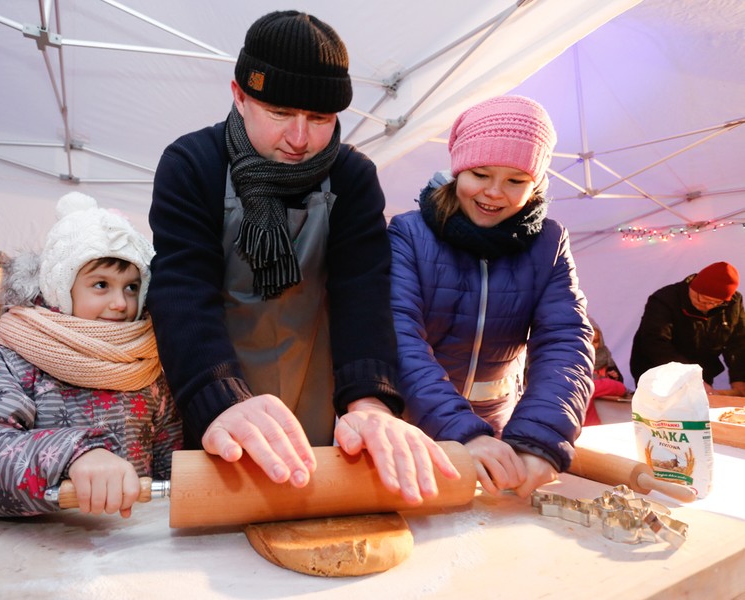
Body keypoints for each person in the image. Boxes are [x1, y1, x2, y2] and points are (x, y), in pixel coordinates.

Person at [147, 10, 458, 505]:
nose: (299, 138)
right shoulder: (192, 164)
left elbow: (363, 294)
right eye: (280, 113)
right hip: (210, 389)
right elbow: (182, 290)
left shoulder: (352, 178)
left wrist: (370, 403)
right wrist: (219, 397)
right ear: (240, 95)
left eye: (320, 119)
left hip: (312, 387)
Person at [387, 95, 595, 499]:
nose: (495, 192)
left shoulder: (549, 242)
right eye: (480, 174)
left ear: (536, 184)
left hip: (500, 434)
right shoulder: (409, 234)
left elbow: (565, 340)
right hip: (415, 429)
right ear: (457, 170)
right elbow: (399, 337)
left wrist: (539, 437)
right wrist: (460, 430)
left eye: (516, 181)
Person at [0, 192, 182, 518]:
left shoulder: (147, 367)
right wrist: (72, 454)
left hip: (128, 541)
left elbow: (172, 474)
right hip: (32, 543)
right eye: (101, 284)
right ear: (60, 287)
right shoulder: (12, 361)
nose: (121, 303)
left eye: (131, 287)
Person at [629, 261, 745, 396]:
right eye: (703, 300)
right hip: (658, 371)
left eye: (715, 303)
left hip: (702, 371)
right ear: (693, 288)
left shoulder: (733, 303)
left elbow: (738, 343)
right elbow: (655, 342)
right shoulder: (664, 299)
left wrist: (739, 379)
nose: (708, 306)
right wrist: (689, 377)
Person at [583, 316, 629, 426]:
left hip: (609, 413)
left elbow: (620, 383)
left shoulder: (605, 356)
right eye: (588, 340)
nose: (592, 345)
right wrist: (615, 386)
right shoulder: (576, 361)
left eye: (596, 341)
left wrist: (614, 377)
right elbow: (588, 387)